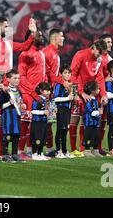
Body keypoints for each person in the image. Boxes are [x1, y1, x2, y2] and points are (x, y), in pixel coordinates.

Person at [0, 16, 37, 162]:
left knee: (5, 120)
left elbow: (24, 46)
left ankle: (3, 153)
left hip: (8, 87)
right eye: (6, 27)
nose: (8, 29)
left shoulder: (6, 42)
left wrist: (32, 34)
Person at [69, 40, 108, 157]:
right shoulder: (80, 55)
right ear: (94, 47)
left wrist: (104, 94)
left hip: (91, 95)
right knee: (76, 120)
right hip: (79, 93)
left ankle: (86, 148)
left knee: (90, 122)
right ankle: (74, 149)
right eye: (99, 52)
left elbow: (100, 77)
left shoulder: (99, 60)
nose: (100, 55)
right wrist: (80, 92)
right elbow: (73, 75)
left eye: (102, 53)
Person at [17, 30, 47, 160]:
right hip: (29, 95)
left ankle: (30, 151)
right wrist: (34, 94)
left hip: (39, 96)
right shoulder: (25, 54)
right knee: (25, 124)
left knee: (34, 125)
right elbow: (22, 78)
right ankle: (19, 151)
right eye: (39, 35)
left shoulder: (41, 53)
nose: (42, 37)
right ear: (31, 37)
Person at [42, 29, 68, 157]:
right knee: (41, 121)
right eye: (62, 36)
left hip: (50, 93)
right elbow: (48, 75)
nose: (63, 38)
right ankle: (32, 150)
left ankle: (49, 149)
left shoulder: (55, 53)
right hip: (44, 92)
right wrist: (62, 82)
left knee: (49, 121)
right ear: (55, 38)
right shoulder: (47, 52)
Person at [0, 69, 25, 163]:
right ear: (8, 79)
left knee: (16, 135)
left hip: (16, 116)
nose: (17, 80)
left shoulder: (18, 91)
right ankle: (5, 155)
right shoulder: (5, 91)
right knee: (7, 135)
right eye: (15, 78)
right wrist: (9, 103)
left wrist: (22, 105)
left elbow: (20, 103)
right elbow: (1, 105)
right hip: (7, 116)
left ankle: (14, 154)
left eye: (18, 78)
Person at [53, 65, 76, 159]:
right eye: (65, 73)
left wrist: (74, 98)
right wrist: (68, 98)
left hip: (67, 109)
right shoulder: (59, 85)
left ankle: (65, 150)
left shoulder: (71, 85)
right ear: (61, 74)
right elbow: (55, 99)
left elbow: (71, 98)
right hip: (61, 109)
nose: (67, 75)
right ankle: (58, 151)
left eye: (69, 73)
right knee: (60, 130)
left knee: (65, 130)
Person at [97, 34, 113, 156]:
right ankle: (89, 147)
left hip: (107, 94)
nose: (110, 44)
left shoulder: (110, 58)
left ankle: (99, 147)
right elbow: (97, 76)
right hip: (98, 94)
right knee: (95, 120)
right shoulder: (98, 58)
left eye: (111, 42)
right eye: (108, 42)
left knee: (103, 121)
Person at [30, 82, 52, 161]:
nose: (49, 92)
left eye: (50, 90)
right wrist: (43, 112)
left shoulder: (47, 100)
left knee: (43, 138)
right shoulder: (37, 99)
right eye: (47, 90)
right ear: (41, 91)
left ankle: (40, 153)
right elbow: (33, 111)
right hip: (37, 122)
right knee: (37, 137)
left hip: (44, 122)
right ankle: (34, 153)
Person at [81, 81, 103, 157]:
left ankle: (95, 150)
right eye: (98, 89)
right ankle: (86, 150)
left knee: (97, 136)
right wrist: (99, 112)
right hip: (89, 123)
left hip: (95, 123)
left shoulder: (95, 100)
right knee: (88, 136)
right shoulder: (89, 100)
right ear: (93, 91)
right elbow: (91, 112)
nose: (99, 90)